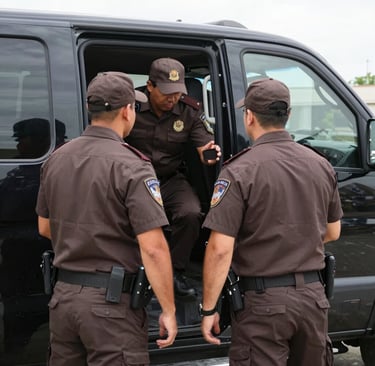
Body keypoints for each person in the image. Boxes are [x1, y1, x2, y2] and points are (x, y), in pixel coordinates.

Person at [36, 71, 177, 366]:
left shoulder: (56, 159)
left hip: (64, 300)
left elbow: (45, 226)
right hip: (111, 307)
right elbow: (153, 247)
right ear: (127, 110)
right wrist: (168, 309)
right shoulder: (132, 165)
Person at [200, 78, 343, 366]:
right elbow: (333, 231)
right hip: (313, 300)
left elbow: (219, 249)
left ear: (249, 116)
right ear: (287, 115)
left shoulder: (239, 170)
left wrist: (209, 309)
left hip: (263, 304)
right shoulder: (320, 164)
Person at [126, 58, 221, 297]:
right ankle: (132, 272)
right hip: (132, 180)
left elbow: (203, 145)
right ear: (149, 86)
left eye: (178, 93)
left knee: (190, 212)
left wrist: (209, 155)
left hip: (169, 178)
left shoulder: (188, 110)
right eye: (167, 93)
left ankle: (175, 272)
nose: (173, 99)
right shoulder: (130, 106)